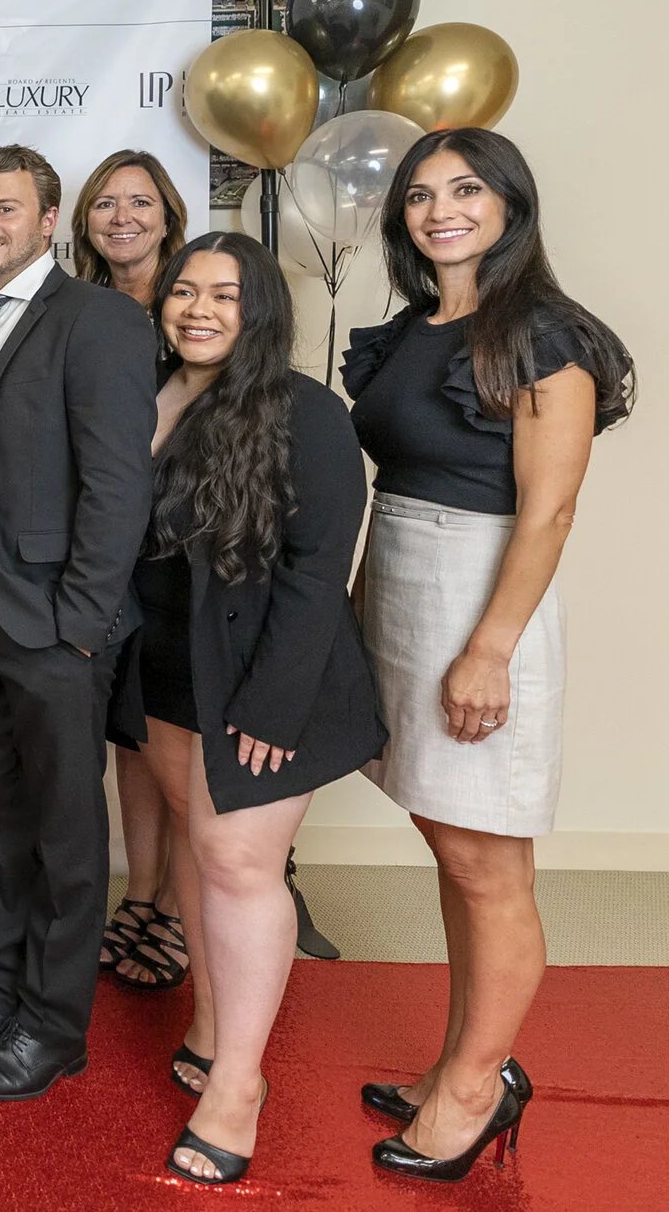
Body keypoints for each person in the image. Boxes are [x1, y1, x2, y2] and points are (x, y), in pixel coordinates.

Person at [342, 128, 632, 1182]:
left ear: (510, 202)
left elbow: (548, 512)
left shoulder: (545, 335)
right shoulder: (415, 327)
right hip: (405, 584)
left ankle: (478, 1085)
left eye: (464, 189)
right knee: (450, 846)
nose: (439, 209)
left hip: (482, 599)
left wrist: (490, 649)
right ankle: (461, 1060)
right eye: (419, 194)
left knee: (486, 861)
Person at [115, 233, 386, 1186]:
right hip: (166, 665)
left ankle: (238, 1086)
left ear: (260, 309)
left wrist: (270, 709)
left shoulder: (306, 411)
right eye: (184, 290)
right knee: (197, 839)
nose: (197, 309)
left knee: (237, 859)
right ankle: (209, 1017)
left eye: (224, 296)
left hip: (267, 679)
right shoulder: (146, 389)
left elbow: (320, 574)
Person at [0, 144, 154, 1101]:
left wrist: (81, 624)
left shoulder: (98, 322)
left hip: (54, 621)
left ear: (49, 220)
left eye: (4, 209)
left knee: (63, 833)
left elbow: (118, 485)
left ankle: (55, 1024)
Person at [70, 148, 196, 993]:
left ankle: (182, 915)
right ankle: (141, 900)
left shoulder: (200, 299)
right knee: (134, 741)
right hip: (105, 552)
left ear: (168, 214)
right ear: (83, 220)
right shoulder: (74, 310)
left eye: (139, 202)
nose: (122, 217)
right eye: (106, 203)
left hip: (186, 548)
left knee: (182, 748)